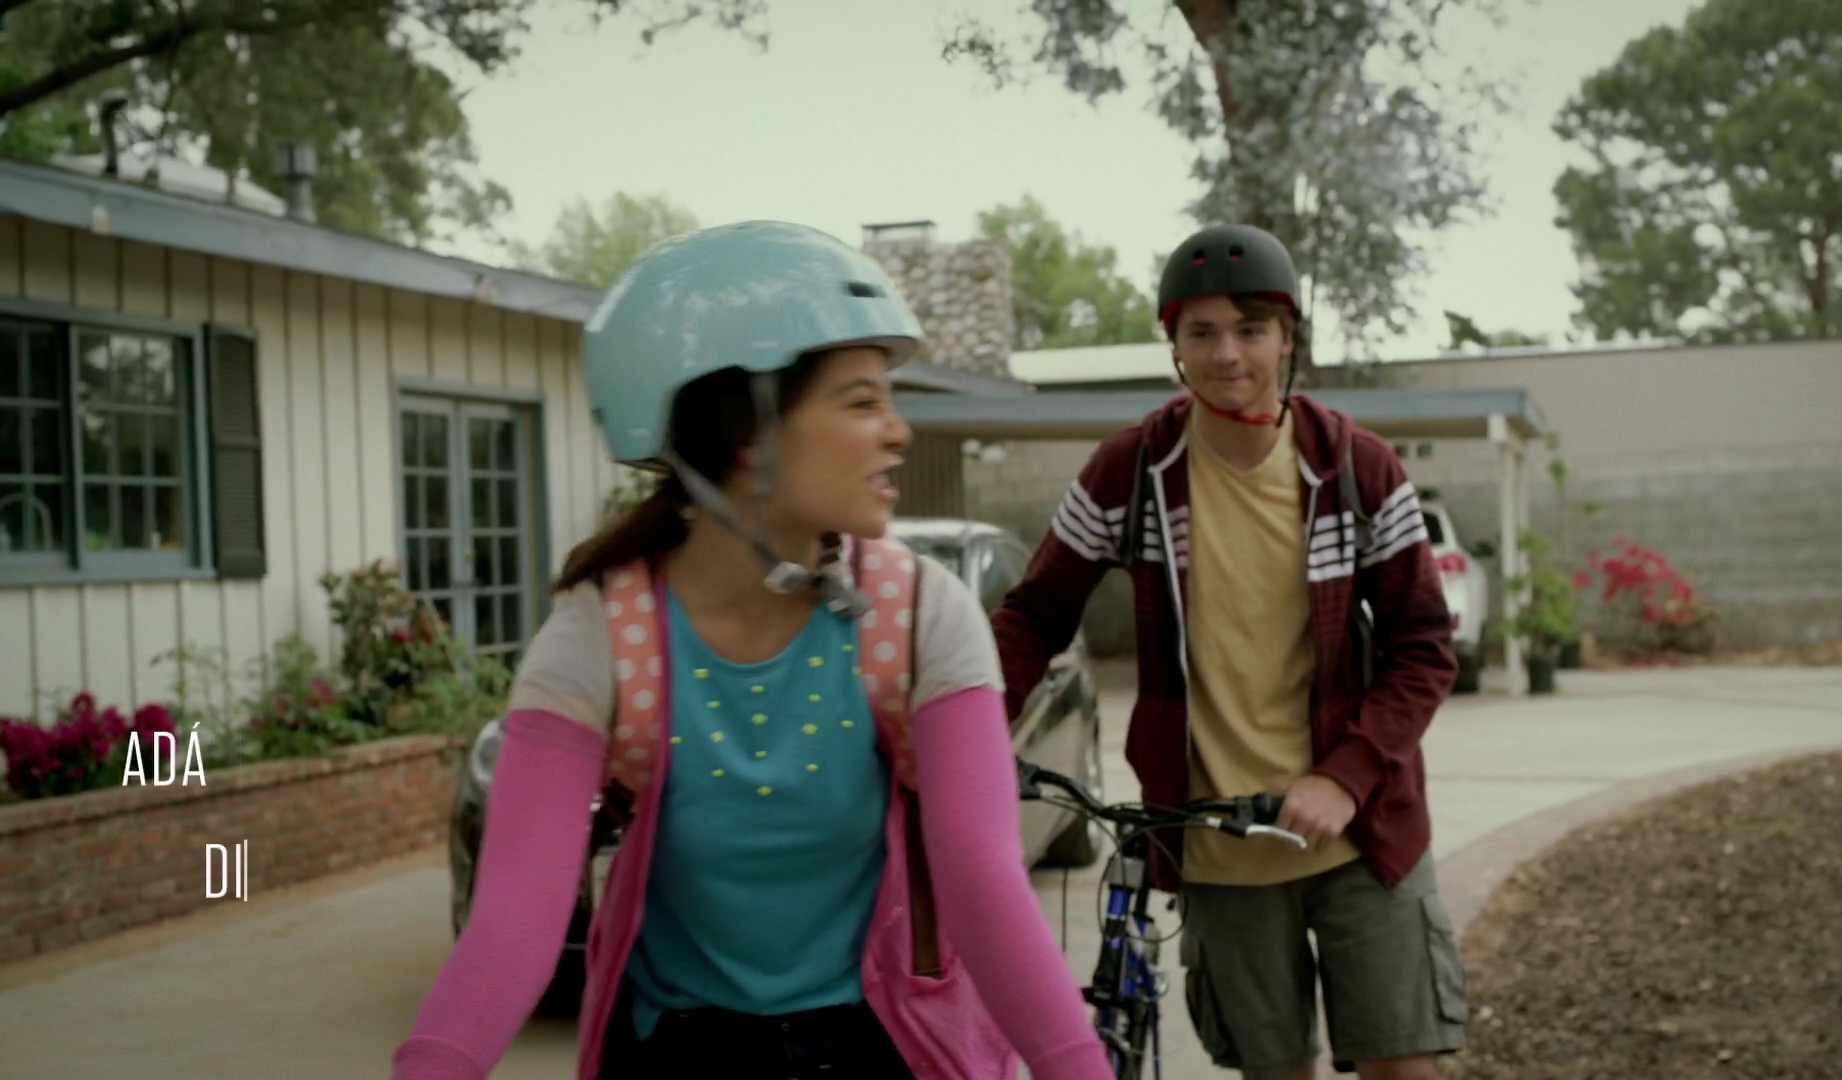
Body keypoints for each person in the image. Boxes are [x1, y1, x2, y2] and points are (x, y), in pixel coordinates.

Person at [390, 221, 1107, 1080]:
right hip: (676, 1050)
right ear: (749, 432)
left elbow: (983, 884)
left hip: (877, 1044)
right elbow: (513, 921)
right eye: (861, 401)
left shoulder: (921, 613)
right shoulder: (599, 632)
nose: (897, 431)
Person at [991, 224, 1469, 1080]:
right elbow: (1033, 617)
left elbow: (1424, 646)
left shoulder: (1356, 469)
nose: (1227, 354)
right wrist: (966, 729)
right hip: (1217, 840)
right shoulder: (1131, 474)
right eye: (1201, 332)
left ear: (1287, 337)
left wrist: (1345, 776)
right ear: (1173, 345)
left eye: (1250, 329)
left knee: (1406, 1067)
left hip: (1363, 832)